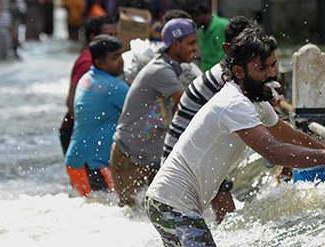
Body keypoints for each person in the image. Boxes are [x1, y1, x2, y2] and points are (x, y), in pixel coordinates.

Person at [145, 27, 325, 246]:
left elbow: (291, 136)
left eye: (273, 64)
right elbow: (275, 151)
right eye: (262, 68)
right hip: (172, 204)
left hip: (170, 202)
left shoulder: (255, 100)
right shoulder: (234, 104)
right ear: (239, 71)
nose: (272, 73)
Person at [161, 15, 255, 223]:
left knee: (216, 219)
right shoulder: (225, 80)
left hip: (194, 156)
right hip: (186, 161)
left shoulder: (226, 76)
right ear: (229, 50)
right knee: (227, 219)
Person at [111, 18, 198, 208]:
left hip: (147, 156)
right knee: (130, 216)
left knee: (154, 213)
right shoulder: (161, 70)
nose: (196, 48)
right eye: (191, 43)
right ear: (175, 45)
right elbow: (188, 104)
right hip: (130, 156)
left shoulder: (169, 68)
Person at [64, 35, 129, 197]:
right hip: (93, 164)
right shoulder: (114, 87)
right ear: (99, 63)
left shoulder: (86, 79)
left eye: (121, 55)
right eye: (114, 58)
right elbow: (141, 112)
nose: (121, 61)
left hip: (77, 161)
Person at [59, 15, 117, 155]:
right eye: (109, 35)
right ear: (93, 38)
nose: (114, 39)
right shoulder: (88, 63)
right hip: (76, 133)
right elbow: (71, 101)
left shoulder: (104, 59)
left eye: (115, 34)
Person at [183, 0, 228, 72]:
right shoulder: (201, 30)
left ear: (199, 14)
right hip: (205, 73)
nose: (192, 22)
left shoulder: (223, 26)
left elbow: (224, 57)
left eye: (193, 18)